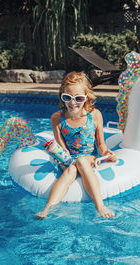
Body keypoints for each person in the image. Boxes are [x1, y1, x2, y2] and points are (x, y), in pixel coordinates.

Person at [36, 72, 117, 219]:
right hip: (69, 159)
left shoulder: (95, 115)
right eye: (67, 98)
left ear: (86, 97)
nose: (72, 103)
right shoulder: (57, 119)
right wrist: (65, 160)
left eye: (78, 98)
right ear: (62, 96)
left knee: (80, 161)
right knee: (71, 171)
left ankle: (100, 206)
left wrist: (107, 154)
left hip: (89, 157)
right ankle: (47, 208)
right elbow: (63, 149)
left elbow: (101, 144)